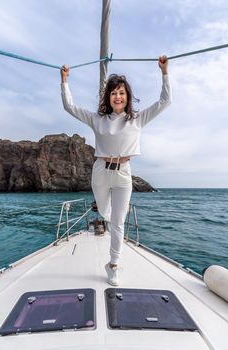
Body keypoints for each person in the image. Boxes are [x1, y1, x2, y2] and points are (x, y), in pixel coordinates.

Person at [60, 56, 171, 286]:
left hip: (123, 174)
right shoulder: (97, 119)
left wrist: (164, 72)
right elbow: (69, 107)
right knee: (103, 211)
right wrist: (64, 81)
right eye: (113, 93)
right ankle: (107, 218)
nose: (117, 96)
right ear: (108, 97)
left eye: (121, 92)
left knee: (118, 222)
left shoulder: (137, 119)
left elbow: (165, 100)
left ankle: (113, 265)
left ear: (127, 96)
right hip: (101, 170)